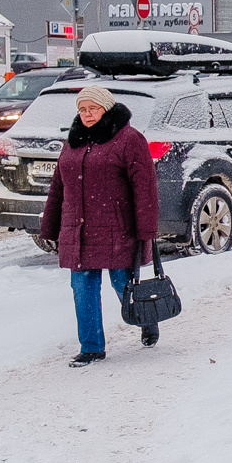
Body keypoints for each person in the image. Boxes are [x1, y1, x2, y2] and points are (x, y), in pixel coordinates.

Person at [39, 84, 161, 367]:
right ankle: (91, 347)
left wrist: (147, 230)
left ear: (106, 108)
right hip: (78, 230)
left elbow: (144, 187)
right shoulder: (74, 141)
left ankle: (147, 320)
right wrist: (50, 225)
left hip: (117, 229)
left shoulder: (129, 139)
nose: (87, 114)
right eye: (82, 109)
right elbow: (59, 186)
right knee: (82, 286)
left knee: (123, 284)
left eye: (93, 108)